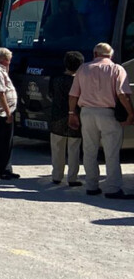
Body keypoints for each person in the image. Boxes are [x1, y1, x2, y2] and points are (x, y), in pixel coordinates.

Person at [69, 42, 134, 198]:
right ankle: (112, 188)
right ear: (110, 55)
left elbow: (73, 94)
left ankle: (92, 186)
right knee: (111, 152)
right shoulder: (117, 69)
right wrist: (130, 113)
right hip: (108, 114)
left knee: (90, 150)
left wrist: (72, 113)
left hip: (86, 113)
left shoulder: (83, 68)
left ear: (95, 54)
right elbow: (122, 94)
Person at [50, 51, 85, 186]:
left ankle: (57, 175)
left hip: (57, 116)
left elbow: (51, 94)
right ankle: (72, 177)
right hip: (75, 115)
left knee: (57, 147)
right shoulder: (79, 81)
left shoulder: (56, 79)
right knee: (74, 148)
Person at [0, 47, 19, 180]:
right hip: (0, 113)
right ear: (2, 59)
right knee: (0, 142)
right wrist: (8, 113)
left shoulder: (1, 70)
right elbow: (0, 93)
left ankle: (6, 168)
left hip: (6, 111)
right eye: (8, 60)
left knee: (7, 142)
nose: (9, 63)